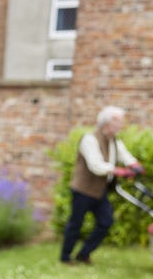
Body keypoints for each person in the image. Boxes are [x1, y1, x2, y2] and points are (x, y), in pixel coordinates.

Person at [60, 106, 144, 265]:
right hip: (83, 190)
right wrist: (120, 171)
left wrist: (134, 165)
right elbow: (96, 166)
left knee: (106, 221)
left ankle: (84, 254)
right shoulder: (89, 139)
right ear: (106, 124)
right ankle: (65, 257)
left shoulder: (113, 140)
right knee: (75, 224)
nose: (120, 126)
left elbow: (124, 155)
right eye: (117, 122)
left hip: (99, 191)